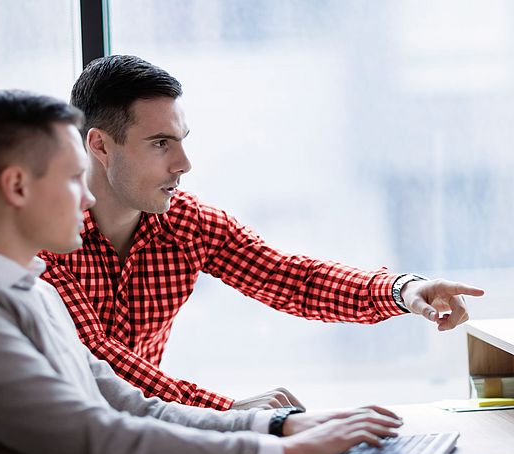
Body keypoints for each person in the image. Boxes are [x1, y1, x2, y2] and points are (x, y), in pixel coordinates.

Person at [0, 89, 403, 454]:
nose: (86, 200)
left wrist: (277, 426)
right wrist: (285, 452)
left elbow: (133, 406)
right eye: (71, 180)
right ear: (17, 186)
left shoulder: (28, 289)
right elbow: (94, 439)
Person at [39, 55, 485, 411]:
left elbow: (291, 278)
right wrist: (228, 411)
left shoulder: (186, 224)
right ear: (99, 145)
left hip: (142, 439)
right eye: (160, 143)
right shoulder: (43, 239)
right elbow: (97, 363)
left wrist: (402, 290)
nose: (183, 163)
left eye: (181, 139)